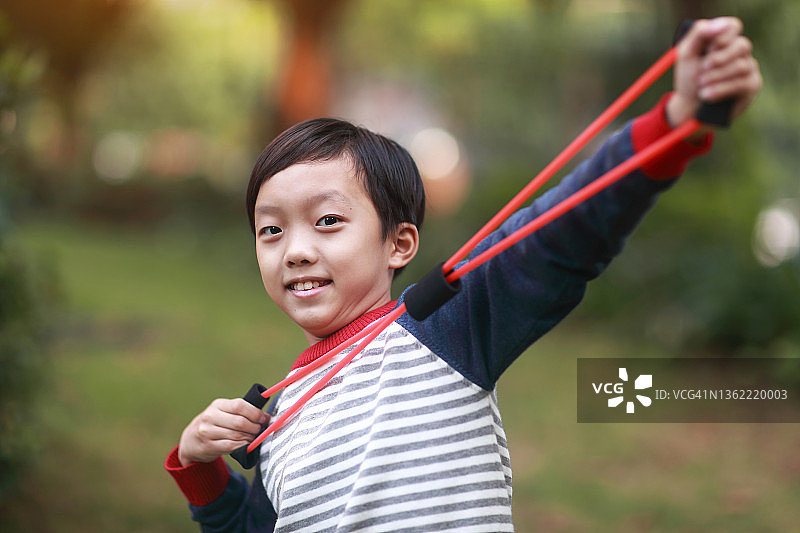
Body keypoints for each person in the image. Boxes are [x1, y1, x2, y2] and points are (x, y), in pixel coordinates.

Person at [165, 17, 761, 532]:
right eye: (271, 230)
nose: (295, 250)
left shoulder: (443, 332)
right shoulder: (279, 417)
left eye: (327, 221)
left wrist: (676, 120)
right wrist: (200, 468)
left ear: (399, 243)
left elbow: (558, 234)